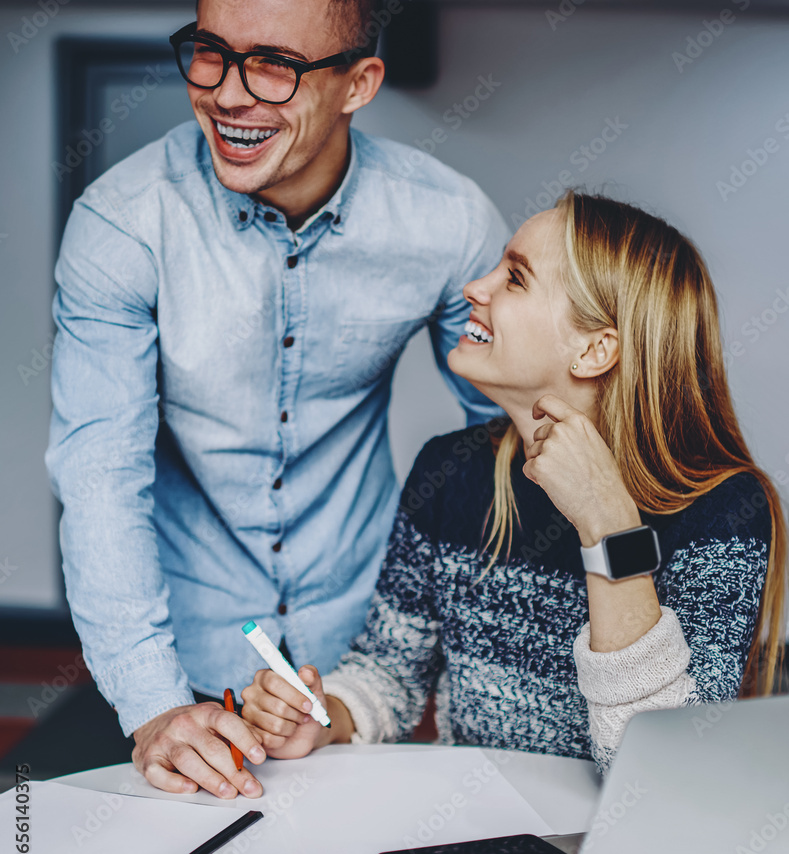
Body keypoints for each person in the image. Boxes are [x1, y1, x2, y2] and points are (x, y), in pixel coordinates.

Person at [44, 0, 509, 800]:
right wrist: (153, 704)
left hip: (362, 669)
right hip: (186, 653)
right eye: (209, 52)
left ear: (357, 84)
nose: (227, 94)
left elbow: (511, 441)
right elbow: (99, 479)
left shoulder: (445, 221)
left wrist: (497, 657)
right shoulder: (121, 226)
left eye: (274, 65)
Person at [242, 191, 787, 771]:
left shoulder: (724, 511)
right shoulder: (450, 469)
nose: (475, 288)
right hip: (467, 843)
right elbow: (390, 671)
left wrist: (607, 524)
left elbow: (660, 772)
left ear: (595, 349)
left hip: (612, 851)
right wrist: (326, 716)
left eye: (516, 278)